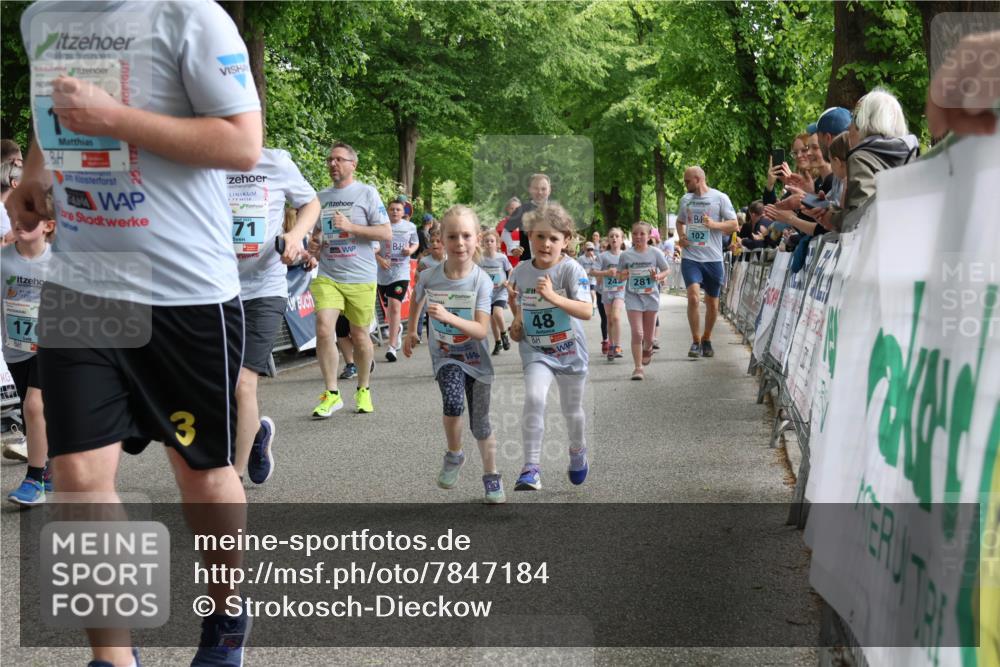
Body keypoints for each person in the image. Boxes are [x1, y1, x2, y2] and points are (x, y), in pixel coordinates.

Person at [9, 2, 263, 665]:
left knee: (201, 473)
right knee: (77, 475)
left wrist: (115, 121)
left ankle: (227, 619)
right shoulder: (42, 16)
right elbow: (55, 108)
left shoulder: (189, 16)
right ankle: (113, 656)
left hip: (185, 289)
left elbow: (242, 143)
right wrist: (35, 173)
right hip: (83, 279)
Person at [228, 148, 319, 485]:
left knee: (243, 381)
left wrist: (295, 236)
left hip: (265, 288)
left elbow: (310, 203)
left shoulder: (275, 162)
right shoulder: (202, 161)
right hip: (215, 288)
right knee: (219, 383)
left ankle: (233, 478)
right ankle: (255, 436)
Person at [403, 205, 504, 503]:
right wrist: (412, 331)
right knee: (452, 402)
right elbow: (417, 300)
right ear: (442, 240)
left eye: (466, 236)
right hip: (446, 355)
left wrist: (448, 317)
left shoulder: (481, 281)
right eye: (452, 236)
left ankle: (491, 476)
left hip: (477, 360)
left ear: (477, 239)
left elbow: (481, 330)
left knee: (481, 424)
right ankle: (454, 454)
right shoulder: (429, 275)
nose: (459, 243)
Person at [508, 203, 592, 491]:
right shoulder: (519, 271)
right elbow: (519, 305)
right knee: (534, 398)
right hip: (537, 350)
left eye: (554, 239)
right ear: (530, 236)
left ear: (566, 241)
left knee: (572, 411)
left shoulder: (571, 269)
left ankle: (578, 449)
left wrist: (554, 297)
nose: (546, 244)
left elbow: (586, 311)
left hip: (569, 350)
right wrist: (516, 323)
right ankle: (531, 467)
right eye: (540, 236)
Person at [307, 141, 391, 417]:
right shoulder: (320, 197)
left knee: (359, 336)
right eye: (330, 160)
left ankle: (363, 388)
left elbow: (385, 232)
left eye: (339, 159)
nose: (333, 164)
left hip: (361, 276)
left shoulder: (367, 193)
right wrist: (315, 244)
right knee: (323, 328)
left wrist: (351, 227)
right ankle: (331, 393)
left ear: (353, 164)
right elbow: (318, 232)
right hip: (329, 274)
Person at [808, 88, 919, 231]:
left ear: (864, 123)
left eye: (855, 117)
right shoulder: (911, 153)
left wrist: (832, 218)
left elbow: (860, 219)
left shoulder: (861, 157)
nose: (849, 126)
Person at [2, 214, 54, 505]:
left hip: (52, 345)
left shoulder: (60, 261)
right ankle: (48, 467)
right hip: (15, 349)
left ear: (48, 225)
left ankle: (33, 478)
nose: (19, 223)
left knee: (34, 405)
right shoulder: (3, 261)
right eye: (14, 219)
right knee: (31, 413)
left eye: (28, 219)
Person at [675, 166, 739, 359]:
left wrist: (714, 225)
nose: (685, 184)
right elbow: (679, 222)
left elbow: (734, 224)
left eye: (687, 181)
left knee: (712, 303)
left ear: (698, 179)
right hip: (691, 257)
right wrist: (682, 236)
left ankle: (707, 338)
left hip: (713, 258)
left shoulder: (720, 198)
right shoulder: (685, 200)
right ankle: (695, 341)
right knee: (693, 297)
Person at [618, 222, 670, 380]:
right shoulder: (626, 255)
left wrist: (658, 277)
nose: (638, 236)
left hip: (651, 297)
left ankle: (648, 347)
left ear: (649, 236)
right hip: (633, 297)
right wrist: (624, 274)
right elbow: (620, 276)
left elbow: (667, 269)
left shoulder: (655, 253)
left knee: (648, 337)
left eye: (642, 234)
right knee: (637, 333)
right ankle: (638, 368)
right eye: (635, 233)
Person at [376, 199, 419, 361]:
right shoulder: (380, 226)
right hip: (383, 273)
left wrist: (410, 250)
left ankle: (392, 346)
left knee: (395, 306)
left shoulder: (410, 227)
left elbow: (415, 243)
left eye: (398, 210)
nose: (395, 212)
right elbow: (372, 247)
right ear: (387, 211)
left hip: (401, 272)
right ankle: (398, 329)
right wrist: (380, 259)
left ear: (403, 213)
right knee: (389, 309)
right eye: (392, 209)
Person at [477, 229, 513, 355]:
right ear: (483, 243)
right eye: (486, 241)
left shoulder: (502, 258)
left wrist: (508, 281)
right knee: (492, 319)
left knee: (497, 313)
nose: (489, 243)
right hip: (487, 293)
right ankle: (498, 343)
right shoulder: (480, 258)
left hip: (500, 291)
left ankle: (504, 335)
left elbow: (510, 270)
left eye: (492, 241)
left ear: (497, 243)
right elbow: (477, 273)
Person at [593, 227, 626, 361]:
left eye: (617, 236)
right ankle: (611, 346)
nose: (614, 238)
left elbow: (632, 271)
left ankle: (617, 346)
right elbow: (593, 271)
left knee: (616, 317)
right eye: (611, 236)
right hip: (606, 292)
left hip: (620, 291)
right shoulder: (603, 256)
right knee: (609, 319)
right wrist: (606, 273)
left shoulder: (626, 255)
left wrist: (622, 274)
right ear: (608, 239)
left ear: (622, 239)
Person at [506, 173, 552, 263]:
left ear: (549, 190)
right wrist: (512, 248)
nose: (539, 192)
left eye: (543, 189)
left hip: (551, 263)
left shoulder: (557, 211)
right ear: (530, 190)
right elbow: (506, 231)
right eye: (536, 188)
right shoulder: (521, 210)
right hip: (527, 262)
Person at [495, 196, 522, 266]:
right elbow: (495, 243)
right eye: (511, 208)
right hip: (506, 263)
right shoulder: (502, 224)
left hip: (522, 263)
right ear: (507, 209)